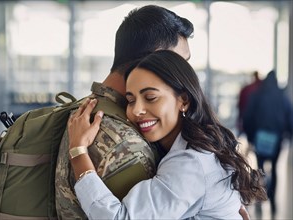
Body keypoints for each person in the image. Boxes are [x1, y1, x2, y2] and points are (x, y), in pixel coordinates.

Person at [67, 50, 267, 219]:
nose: (137, 110)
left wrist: (78, 151)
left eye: (150, 97)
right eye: (130, 99)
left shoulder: (191, 164)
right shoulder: (193, 146)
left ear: (184, 101)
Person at [55, 5, 194, 219]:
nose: (186, 73)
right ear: (156, 58)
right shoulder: (125, 143)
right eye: (180, 62)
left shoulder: (90, 108)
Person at [243, 70, 293, 215]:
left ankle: (260, 196)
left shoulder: (257, 96)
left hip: (260, 137)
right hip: (277, 139)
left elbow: (248, 116)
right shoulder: (281, 97)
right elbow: (290, 116)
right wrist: (289, 134)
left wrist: (250, 136)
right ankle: (273, 201)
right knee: (275, 169)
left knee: (260, 168)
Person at [237, 70, 262, 137]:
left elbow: (240, 105)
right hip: (259, 120)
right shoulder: (263, 89)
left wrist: (239, 119)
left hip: (248, 117)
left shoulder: (246, 88)